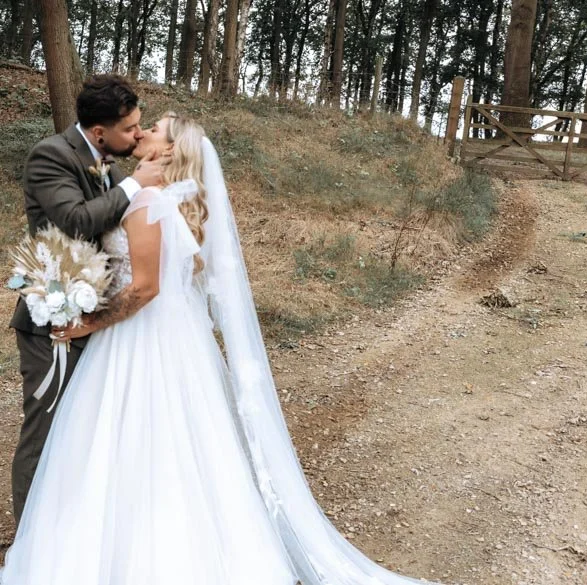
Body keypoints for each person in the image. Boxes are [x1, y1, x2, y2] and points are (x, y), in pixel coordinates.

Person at [1, 113, 437, 585]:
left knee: (127, 439)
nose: (142, 133)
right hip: (169, 339)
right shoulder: (177, 202)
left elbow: (145, 289)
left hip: (136, 340)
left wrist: (90, 322)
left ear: (169, 151)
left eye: (154, 130)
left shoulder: (148, 201)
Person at [8, 74, 168, 526]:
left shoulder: (111, 168)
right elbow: (74, 222)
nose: (138, 134)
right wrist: (135, 186)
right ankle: (29, 543)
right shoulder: (52, 156)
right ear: (99, 132)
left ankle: (70, 532)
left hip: (97, 319)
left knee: (82, 434)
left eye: (141, 125)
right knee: (46, 431)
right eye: (130, 128)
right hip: (54, 322)